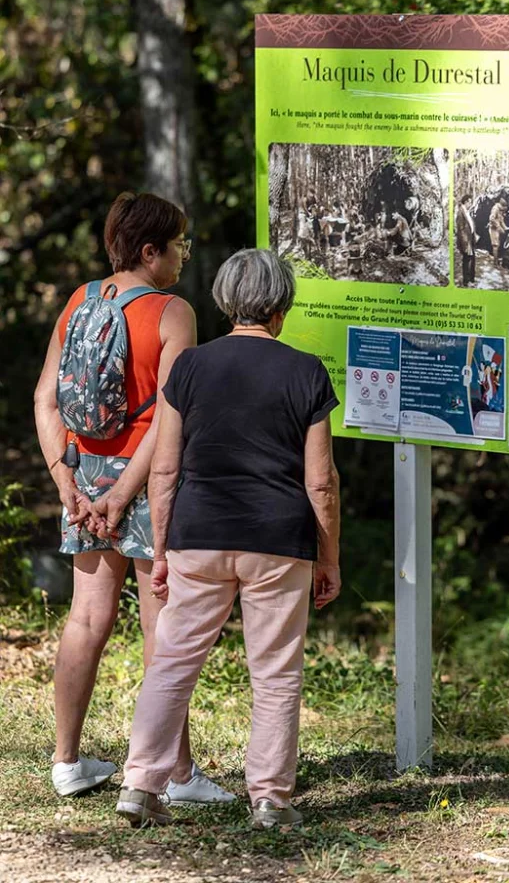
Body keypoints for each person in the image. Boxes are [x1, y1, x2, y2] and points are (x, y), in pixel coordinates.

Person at [116, 249, 341, 829]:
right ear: (281, 308)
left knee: (172, 662)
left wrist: (161, 550)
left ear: (225, 302)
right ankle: (269, 800)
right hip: (278, 538)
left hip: (200, 531)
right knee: (274, 673)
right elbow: (321, 481)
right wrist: (329, 557)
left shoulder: (188, 368)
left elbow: (164, 471)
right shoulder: (307, 371)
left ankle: (140, 785)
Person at [34, 191, 232, 806]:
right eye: (180, 245)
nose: (184, 256)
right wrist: (126, 491)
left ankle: (66, 762)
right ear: (151, 250)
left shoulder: (79, 302)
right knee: (160, 627)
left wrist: (67, 480)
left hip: (83, 475)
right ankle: (173, 775)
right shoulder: (174, 313)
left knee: (86, 617)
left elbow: (45, 399)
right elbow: (171, 417)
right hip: (147, 482)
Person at [456, 193, 476, 286]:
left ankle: (471, 278)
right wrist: (465, 243)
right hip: (465, 240)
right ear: (466, 202)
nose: (470, 204)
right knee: (467, 260)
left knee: (471, 259)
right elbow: (460, 229)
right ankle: (466, 281)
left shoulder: (466, 211)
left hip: (470, 238)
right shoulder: (461, 212)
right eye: (470, 202)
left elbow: (469, 224)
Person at [488, 197, 508, 267]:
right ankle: (495, 263)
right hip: (493, 229)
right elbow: (491, 219)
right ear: (501, 205)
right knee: (495, 246)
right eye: (504, 208)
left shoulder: (500, 210)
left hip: (496, 229)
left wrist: (506, 228)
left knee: (498, 245)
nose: (504, 210)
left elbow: (501, 220)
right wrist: (499, 227)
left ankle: (496, 260)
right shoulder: (495, 209)